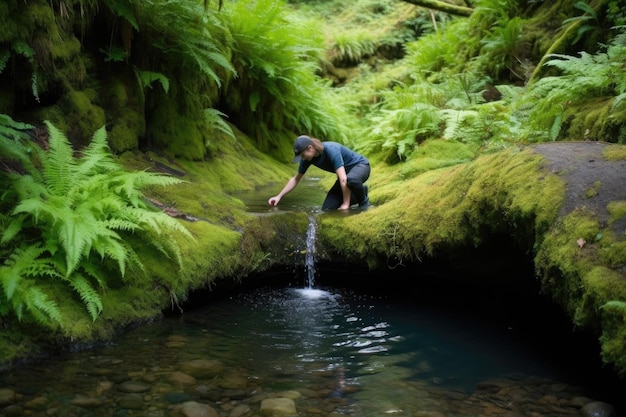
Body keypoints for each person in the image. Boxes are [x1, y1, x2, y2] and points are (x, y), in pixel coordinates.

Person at [268, 135, 371, 211]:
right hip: (346, 177)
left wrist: (345, 204)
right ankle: (360, 191)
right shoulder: (307, 159)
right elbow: (295, 179)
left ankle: (363, 202)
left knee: (350, 180)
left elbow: (343, 178)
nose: (302, 159)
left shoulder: (331, 149)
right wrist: (279, 196)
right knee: (327, 209)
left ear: (310, 148)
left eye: (303, 155)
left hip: (361, 167)